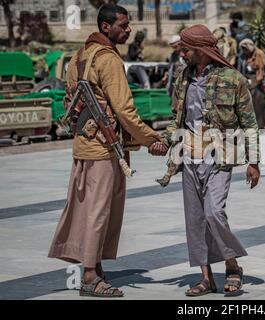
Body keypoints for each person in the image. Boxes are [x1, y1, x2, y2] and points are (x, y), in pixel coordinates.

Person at [48, 4, 162, 298]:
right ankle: (89, 276)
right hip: (103, 148)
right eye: (123, 25)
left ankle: (94, 268)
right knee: (99, 212)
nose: (128, 29)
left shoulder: (79, 56)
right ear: (105, 27)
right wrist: (151, 139)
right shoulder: (108, 59)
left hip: (84, 145)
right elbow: (124, 109)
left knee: (88, 210)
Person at [149, 24, 260, 297]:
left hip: (221, 156)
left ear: (200, 50)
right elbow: (178, 118)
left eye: (185, 49)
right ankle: (206, 278)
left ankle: (232, 267)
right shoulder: (183, 77)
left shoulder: (233, 79)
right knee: (196, 219)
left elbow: (250, 124)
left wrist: (254, 162)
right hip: (189, 156)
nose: (182, 53)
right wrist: (164, 141)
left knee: (214, 212)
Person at [237, 38, 265, 130]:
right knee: (249, 104)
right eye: (243, 49)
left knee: (261, 103)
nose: (245, 51)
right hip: (247, 82)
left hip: (259, 81)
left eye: (246, 48)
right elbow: (239, 70)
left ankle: (263, 124)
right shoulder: (241, 57)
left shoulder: (260, 54)